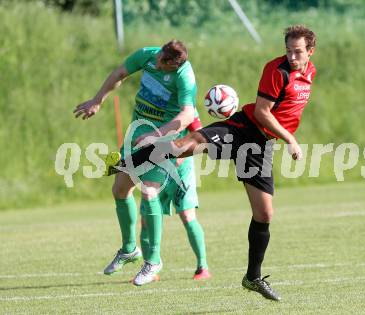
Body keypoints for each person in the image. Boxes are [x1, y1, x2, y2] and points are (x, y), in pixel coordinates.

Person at [106, 25, 316, 300]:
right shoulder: (277, 71)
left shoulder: (310, 74)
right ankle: (130, 160)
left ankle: (253, 278)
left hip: (261, 145)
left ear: (310, 51)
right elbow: (263, 113)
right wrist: (291, 139)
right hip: (243, 129)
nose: (291, 56)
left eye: (297, 51)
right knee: (186, 146)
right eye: (288, 50)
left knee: (264, 214)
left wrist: (283, 137)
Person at [74, 40, 211, 284]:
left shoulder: (184, 76)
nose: (156, 63)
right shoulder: (148, 54)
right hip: (137, 134)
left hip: (163, 140)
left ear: (174, 65)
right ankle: (129, 249)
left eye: (162, 62)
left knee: (148, 192)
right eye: (158, 57)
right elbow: (119, 73)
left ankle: (153, 261)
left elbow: (188, 114)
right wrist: (98, 99)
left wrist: (156, 135)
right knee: (119, 189)